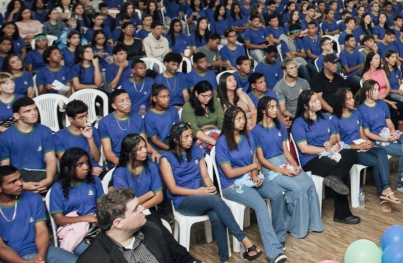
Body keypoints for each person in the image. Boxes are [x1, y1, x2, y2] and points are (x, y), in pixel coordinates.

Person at [159, 123, 265, 263]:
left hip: (202, 195)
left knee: (216, 215)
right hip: (183, 200)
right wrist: (200, 192)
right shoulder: (166, 159)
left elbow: (205, 175)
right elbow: (173, 189)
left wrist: (210, 186)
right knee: (215, 200)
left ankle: (224, 260)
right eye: (186, 137)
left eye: (190, 135)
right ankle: (244, 240)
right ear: (176, 140)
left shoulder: (196, 151)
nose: (190, 139)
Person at [214, 107, 287, 263]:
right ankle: (274, 253)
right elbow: (229, 173)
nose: (242, 122)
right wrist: (252, 168)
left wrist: (254, 175)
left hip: (249, 179)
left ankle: (278, 238)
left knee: (276, 193)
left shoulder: (248, 136)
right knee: (260, 205)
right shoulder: (222, 142)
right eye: (238, 119)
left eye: (243, 118)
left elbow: (254, 162)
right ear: (230, 121)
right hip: (231, 185)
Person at [253, 96, 323, 235]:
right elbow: (260, 158)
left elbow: (286, 151)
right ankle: (296, 227)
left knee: (309, 183)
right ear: (264, 111)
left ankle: (313, 224)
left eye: (276, 106)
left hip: (284, 162)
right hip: (270, 168)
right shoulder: (256, 131)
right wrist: (280, 170)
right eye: (271, 107)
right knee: (297, 188)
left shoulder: (280, 125)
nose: (276, 110)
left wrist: (295, 165)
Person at [0, 166, 79, 263]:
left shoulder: (34, 199)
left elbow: (41, 231)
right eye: (12, 182)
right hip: (8, 259)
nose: (20, 183)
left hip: (41, 251)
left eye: (20, 178)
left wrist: (41, 256)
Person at [291, 90, 360, 225]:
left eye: (318, 99)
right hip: (311, 159)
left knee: (351, 153)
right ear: (306, 106)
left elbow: (334, 136)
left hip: (329, 152)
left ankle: (335, 178)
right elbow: (304, 148)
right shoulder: (299, 123)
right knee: (338, 169)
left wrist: (330, 142)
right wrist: (325, 149)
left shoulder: (323, 117)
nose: (319, 102)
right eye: (314, 101)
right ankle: (342, 214)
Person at [328, 88, 400, 212]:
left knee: (381, 152)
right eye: (349, 99)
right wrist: (358, 147)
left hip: (362, 145)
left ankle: (386, 189)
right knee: (377, 162)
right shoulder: (335, 119)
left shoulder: (356, 113)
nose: (352, 100)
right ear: (341, 102)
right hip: (351, 151)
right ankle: (383, 194)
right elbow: (339, 144)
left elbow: (362, 134)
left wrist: (367, 142)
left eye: (352, 97)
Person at [358, 80, 403, 194]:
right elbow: (367, 133)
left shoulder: (381, 103)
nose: (378, 92)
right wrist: (384, 139)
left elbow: (389, 121)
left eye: (378, 89)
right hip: (377, 140)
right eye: (374, 90)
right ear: (366, 92)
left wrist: (393, 132)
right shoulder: (362, 109)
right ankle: (402, 183)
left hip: (387, 133)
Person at [49, 148, 103, 255]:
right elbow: (59, 220)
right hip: (75, 231)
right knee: (94, 254)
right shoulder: (57, 188)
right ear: (67, 168)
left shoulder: (94, 181)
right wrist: (87, 218)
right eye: (80, 165)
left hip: (96, 226)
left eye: (87, 163)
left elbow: (102, 206)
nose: (86, 167)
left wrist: (99, 218)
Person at [0, 97, 57, 193]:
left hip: (41, 174)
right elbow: (4, 169)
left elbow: (51, 159)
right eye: (28, 111)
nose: (34, 113)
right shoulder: (4, 137)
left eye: (35, 109)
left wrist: (49, 179)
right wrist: (23, 185)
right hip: (18, 177)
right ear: (16, 116)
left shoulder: (45, 131)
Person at [112, 134, 169, 226]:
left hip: (148, 209)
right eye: (140, 149)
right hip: (128, 216)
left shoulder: (151, 166)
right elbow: (126, 206)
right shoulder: (120, 173)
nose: (145, 150)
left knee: (160, 232)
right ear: (128, 153)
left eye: (145, 147)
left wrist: (140, 208)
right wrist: (149, 194)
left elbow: (159, 197)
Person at [99, 89, 150, 168]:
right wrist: (119, 162)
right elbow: (107, 151)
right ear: (114, 106)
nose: (127, 103)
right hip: (118, 159)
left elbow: (144, 142)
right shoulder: (104, 123)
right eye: (122, 101)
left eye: (128, 99)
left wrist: (154, 152)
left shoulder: (138, 118)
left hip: (138, 156)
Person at [55, 99, 104, 176]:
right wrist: (88, 170)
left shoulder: (93, 130)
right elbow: (66, 163)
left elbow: (96, 159)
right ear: (71, 119)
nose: (85, 119)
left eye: (86, 115)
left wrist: (90, 138)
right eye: (81, 117)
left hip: (95, 169)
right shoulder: (59, 136)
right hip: (73, 173)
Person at [180, 80, 223, 149]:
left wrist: (222, 138)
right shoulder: (188, 107)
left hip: (217, 134)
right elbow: (194, 130)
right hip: (198, 138)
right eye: (204, 96)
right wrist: (215, 142)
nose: (208, 98)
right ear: (196, 93)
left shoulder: (215, 101)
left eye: (210, 95)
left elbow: (222, 122)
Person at [145, 85, 181, 152]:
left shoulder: (173, 110)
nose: (167, 99)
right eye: (163, 97)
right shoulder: (149, 116)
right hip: (160, 146)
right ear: (154, 99)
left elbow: (179, 130)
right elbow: (155, 140)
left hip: (173, 141)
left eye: (168, 96)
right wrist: (170, 149)